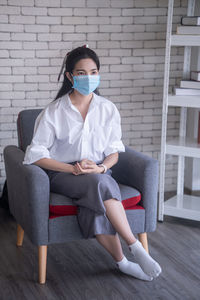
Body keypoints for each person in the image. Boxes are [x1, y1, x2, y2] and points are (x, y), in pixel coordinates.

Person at [23, 45, 161, 281]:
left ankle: (123, 263)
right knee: (100, 184)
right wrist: (72, 169)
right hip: (63, 174)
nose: (89, 78)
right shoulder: (53, 112)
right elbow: (34, 155)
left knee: (97, 197)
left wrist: (101, 168)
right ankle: (134, 244)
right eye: (81, 73)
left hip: (97, 171)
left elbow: (115, 152)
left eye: (94, 72)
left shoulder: (108, 109)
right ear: (69, 76)